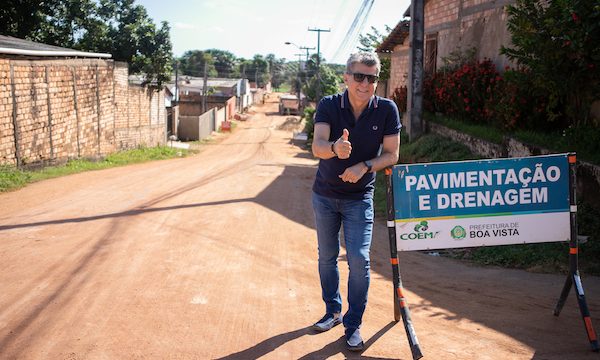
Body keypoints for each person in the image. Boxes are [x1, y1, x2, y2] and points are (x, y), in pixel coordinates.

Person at [310, 52, 401, 351]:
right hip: (324, 194)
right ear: (347, 77)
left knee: (359, 260)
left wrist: (364, 165)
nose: (365, 83)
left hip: (360, 198)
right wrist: (336, 148)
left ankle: (353, 323)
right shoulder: (328, 105)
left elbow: (392, 154)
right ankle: (332, 311)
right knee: (327, 256)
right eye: (359, 76)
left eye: (372, 78)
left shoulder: (387, 109)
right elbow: (317, 146)